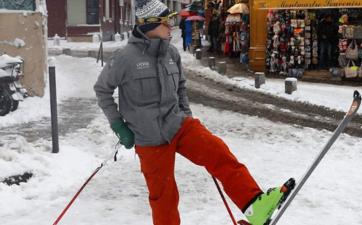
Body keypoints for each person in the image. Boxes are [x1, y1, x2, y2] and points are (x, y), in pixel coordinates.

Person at [94, 0, 288, 224]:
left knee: (218, 153)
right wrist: (119, 126)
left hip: (178, 125)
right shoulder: (124, 59)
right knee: (163, 197)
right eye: (166, 22)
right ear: (150, 25)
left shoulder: (171, 54)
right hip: (149, 138)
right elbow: (102, 90)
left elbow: (180, 87)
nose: (171, 26)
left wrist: (185, 114)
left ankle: (255, 205)